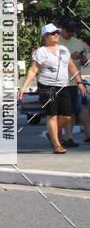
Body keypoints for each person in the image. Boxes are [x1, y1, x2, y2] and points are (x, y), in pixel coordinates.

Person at [18, 23, 86, 154]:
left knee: (66, 116)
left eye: (57, 33)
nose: (56, 35)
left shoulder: (64, 49)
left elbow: (71, 66)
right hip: (47, 86)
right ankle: (56, 144)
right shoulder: (41, 52)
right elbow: (33, 70)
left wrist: (79, 82)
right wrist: (24, 87)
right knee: (52, 115)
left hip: (63, 85)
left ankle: (52, 132)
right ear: (45, 36)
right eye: (53, 33)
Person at [58, 19, 90, 144]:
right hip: (64, 81)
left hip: (77, 81)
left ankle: (88, 134)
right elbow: (55, 60)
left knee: (83, 107)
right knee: (69, 111)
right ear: (62, 29)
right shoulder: (57, 42)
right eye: (68, 32)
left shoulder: (77, 42)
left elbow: (85, 61)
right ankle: (68, 137)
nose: (70, 34)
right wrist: (71, 56)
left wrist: (82, 58)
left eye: (72, 32)